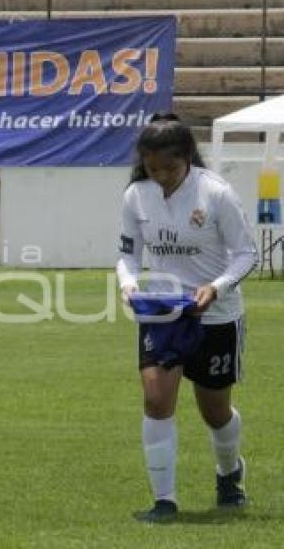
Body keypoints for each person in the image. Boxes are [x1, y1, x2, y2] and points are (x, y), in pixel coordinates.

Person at [116, 114, 257, 521]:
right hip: (162, 312)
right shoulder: (136, 195)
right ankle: (164, 500)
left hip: (216, 316)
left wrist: (217, 287)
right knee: (156, 399)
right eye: (151, 168)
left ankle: (230, 472)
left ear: (187, 158)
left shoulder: (216, 193)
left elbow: (247, 253)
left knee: (215, 411)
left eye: (168, 168)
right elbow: (127, 254)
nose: (160, 176)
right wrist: (127, 283)